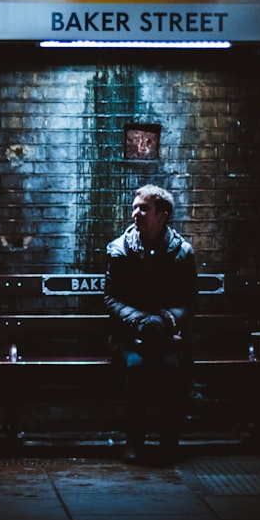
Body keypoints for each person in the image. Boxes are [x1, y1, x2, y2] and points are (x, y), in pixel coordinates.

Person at [104, 185, 197, 465]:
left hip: (167, 338)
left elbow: (190, 301)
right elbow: (110, 297)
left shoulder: (183, 252)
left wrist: (165, 319)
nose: (136, 213)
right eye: (134, 207)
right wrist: (138, 319)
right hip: (129, 338)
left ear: (163, 215)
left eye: (144, 208)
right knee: (138, 366)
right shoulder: (119, 250)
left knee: (170, 367)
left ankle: (169, 441)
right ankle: (135, 441)